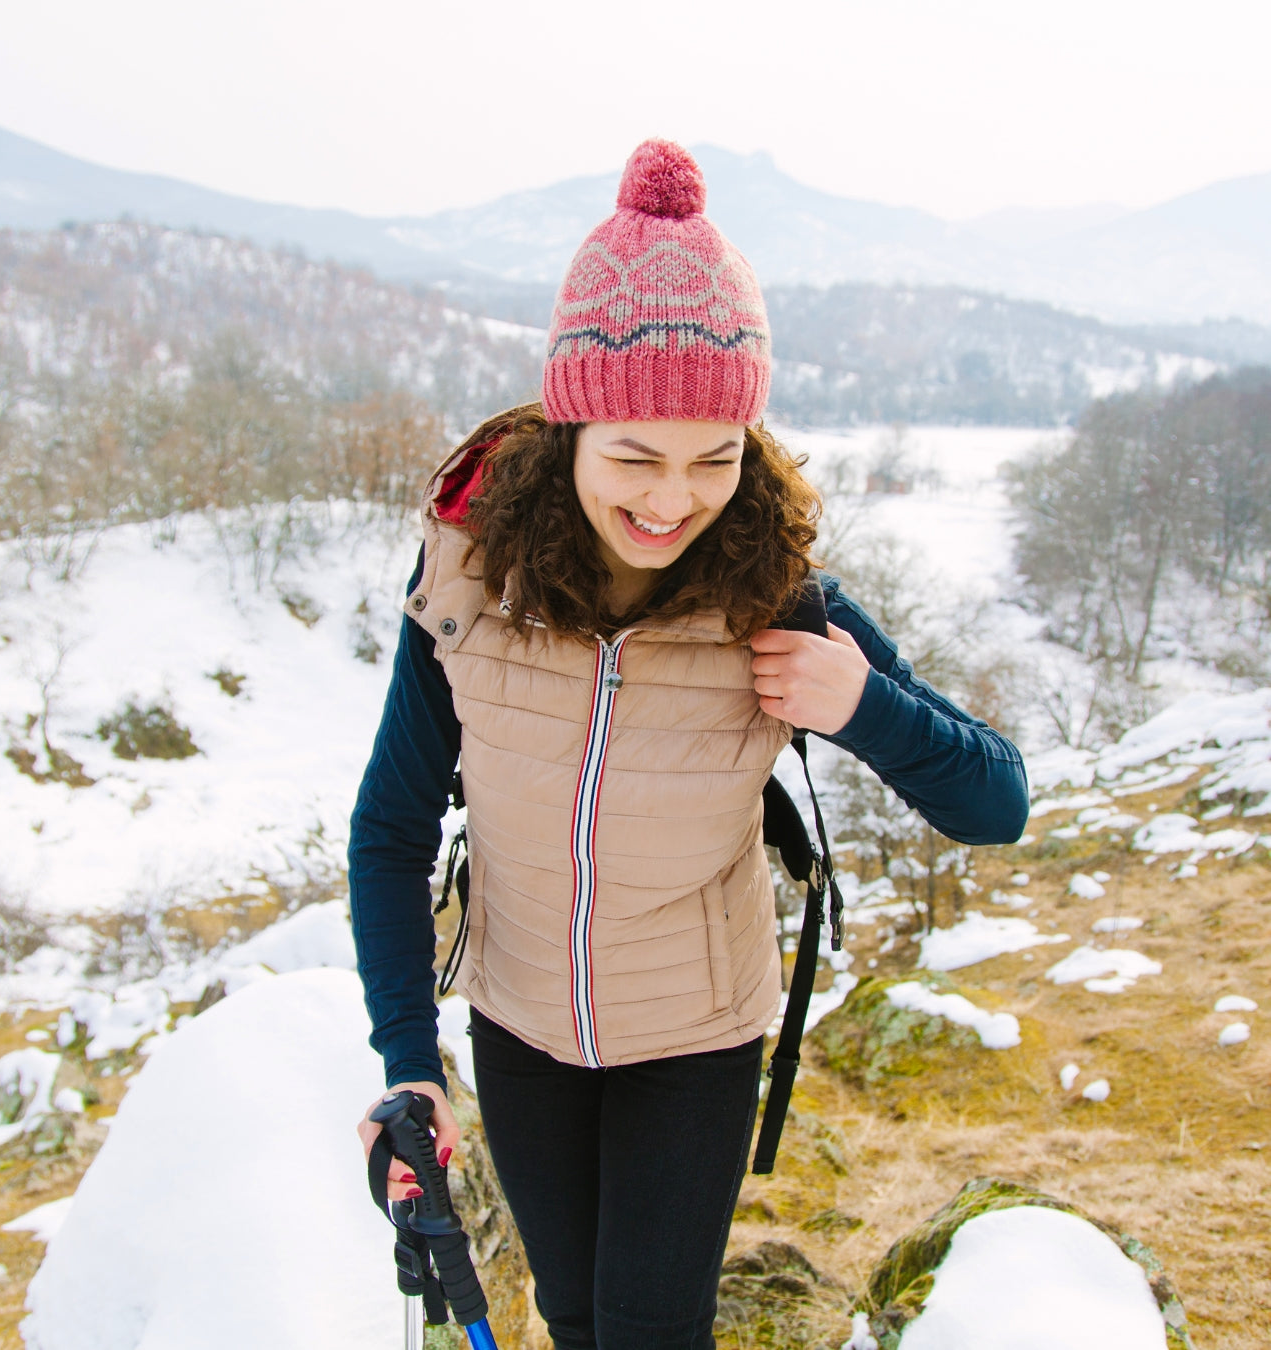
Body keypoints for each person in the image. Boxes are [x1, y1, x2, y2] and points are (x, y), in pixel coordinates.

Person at [350, 139, 1029, 1349]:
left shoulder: (779, 599)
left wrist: (858, 701)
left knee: (650, 1329)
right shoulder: (468, 579)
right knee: (571, 1317)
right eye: (635, 458)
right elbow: (392, 825)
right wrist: (409, 1058)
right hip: (519, 1026)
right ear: (568, 436)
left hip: (694, 1038)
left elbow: (997, 801)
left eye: (715, 459)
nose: (673, 498)